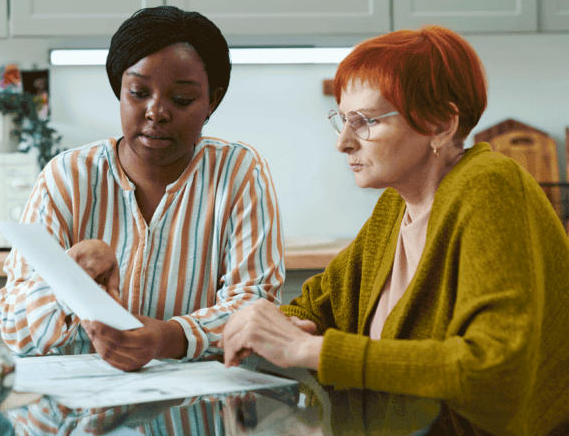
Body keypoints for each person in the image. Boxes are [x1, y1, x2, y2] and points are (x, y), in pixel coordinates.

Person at [220, 25, 569, 436]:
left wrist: (307, 348)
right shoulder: (397, 205)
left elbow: (493, 368)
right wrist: (276, 323)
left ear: (440, 125)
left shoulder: (490, 184)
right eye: (343, 121)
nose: (344, 143)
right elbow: (316, 306)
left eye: (365, 121)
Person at [0, 6, 285, 371]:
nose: (156, 112)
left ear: (212, 100)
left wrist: (169, 337)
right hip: (81, 414)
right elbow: (13, 328)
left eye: (181, 100)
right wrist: (69, 279)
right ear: (120, 89)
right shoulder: (67, 176)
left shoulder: (238, 172)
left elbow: (254, 307)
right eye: (138, 92)